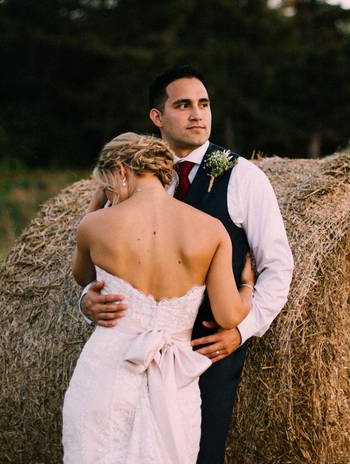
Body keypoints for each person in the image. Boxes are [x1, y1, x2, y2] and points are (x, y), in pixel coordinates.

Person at [80, 66, 294, 463]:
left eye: (204, 104)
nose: (198, 115)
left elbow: (278, 267)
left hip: (206, 354)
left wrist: (242, 331)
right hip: (127, 356)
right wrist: (85, 301)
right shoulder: (128, 178)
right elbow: (99, 254)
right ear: (157, 118)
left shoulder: (244, 178)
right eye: (183, 105)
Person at [62, 132, 256, 464]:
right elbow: (228, 317)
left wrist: (99, 200)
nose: (109, 192)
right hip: (174, 383)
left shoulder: (93, 226)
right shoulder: (210, 230)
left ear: (121, 171)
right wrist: (248, 286)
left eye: (107, 183)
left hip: (106, 372)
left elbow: (84, 278)